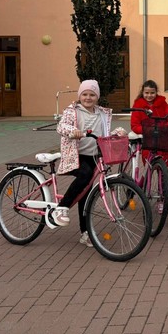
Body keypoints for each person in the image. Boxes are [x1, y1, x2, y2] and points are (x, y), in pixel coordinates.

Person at [54, 80, 127, 246]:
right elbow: (61, 126)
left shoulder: (102, 113)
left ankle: (85, 233)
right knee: (85, 175)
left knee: (86, 193)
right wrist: (73, 131)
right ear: (80, 96)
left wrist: (117, 132)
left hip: (95, 156)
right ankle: (62, 207)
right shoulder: (72, 111)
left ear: (97, 97)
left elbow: (104, 134)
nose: (88, 98)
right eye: (85, 94)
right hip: (76, 155)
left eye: (92, 95)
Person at [130, 80, 168, 169]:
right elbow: (134, 125)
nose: (149, 95)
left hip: (162, 136)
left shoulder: (162, 103)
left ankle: (162, 175)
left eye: (152, 93)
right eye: (146, 93)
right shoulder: (138, 105)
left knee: (163, 163)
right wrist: (147, 130)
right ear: (142, 92)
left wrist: (163, 128)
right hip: (148, 138)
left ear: (156, 92)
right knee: (149, 162)